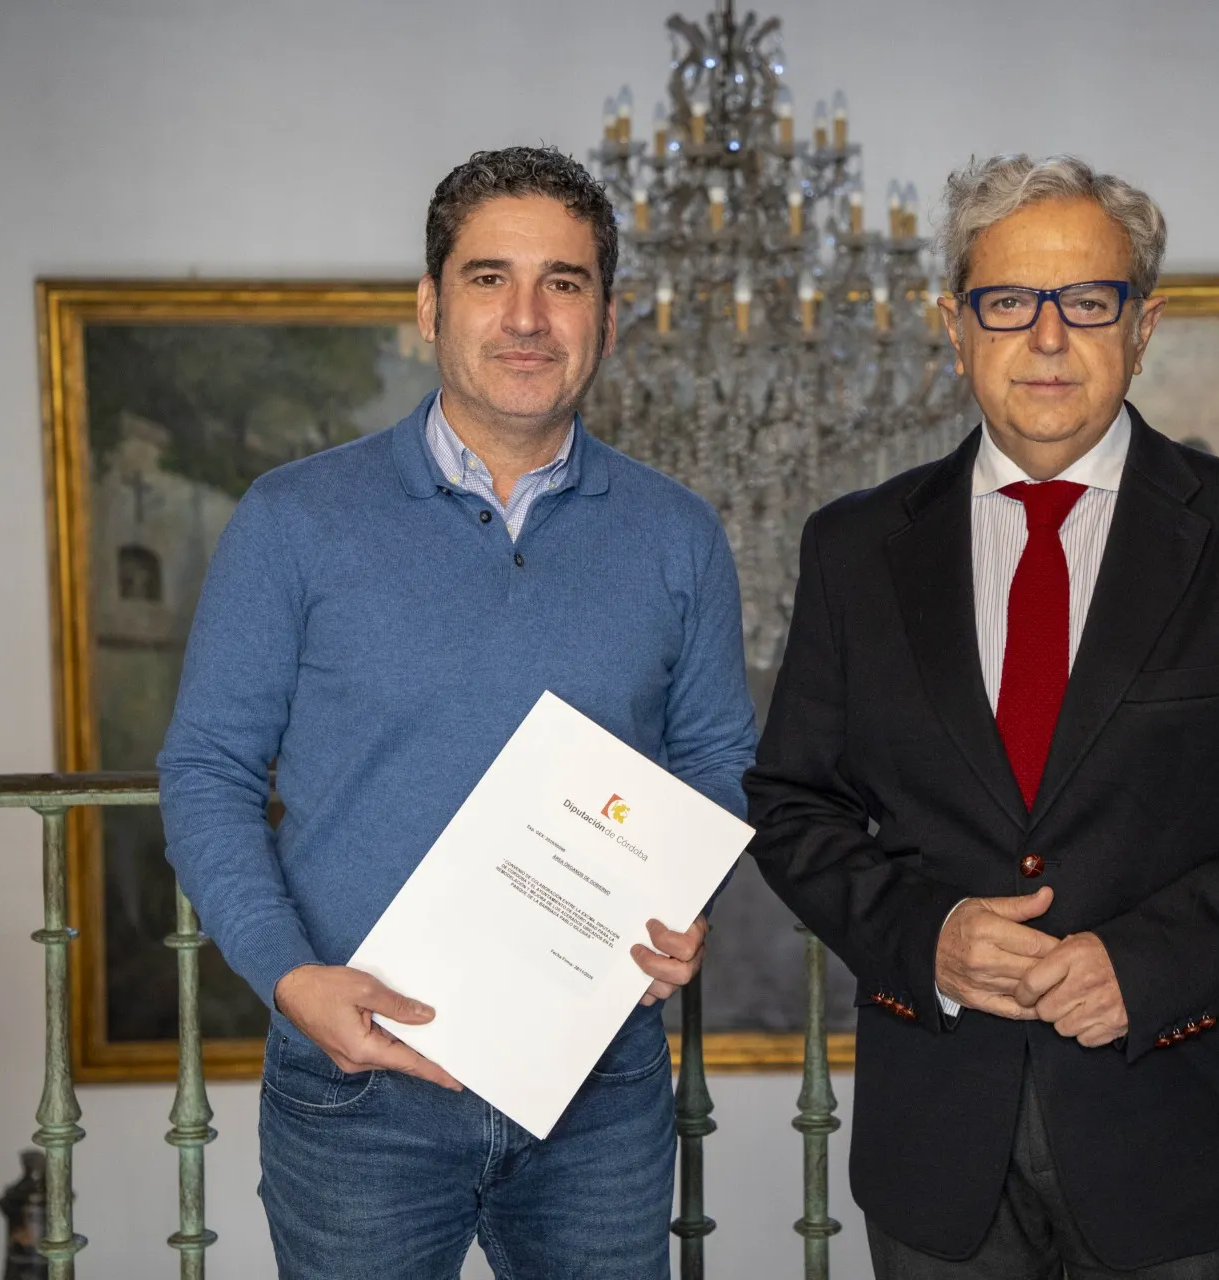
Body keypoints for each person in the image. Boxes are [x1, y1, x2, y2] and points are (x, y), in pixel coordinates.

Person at [745, 154, 1219, 1279]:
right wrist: (929, 937)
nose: (1047, 337)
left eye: (1088, 301)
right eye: (1008, 301)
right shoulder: (854, 546)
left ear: (1142, 326)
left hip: (1184, 1134)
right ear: (956, 327)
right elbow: (794, 803)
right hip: (939, 1145)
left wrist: (1146, 964)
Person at [159, 145, 755, 1279]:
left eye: (563, 283)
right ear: (431, 306)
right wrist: (289, 976)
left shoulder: (678, 534)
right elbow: (206, 770)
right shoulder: (292, 520)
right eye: (490, 278)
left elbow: (719, 754)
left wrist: (681, 896)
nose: (527, 317)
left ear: (606, 319)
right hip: (357, 1087)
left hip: (601, 1087)